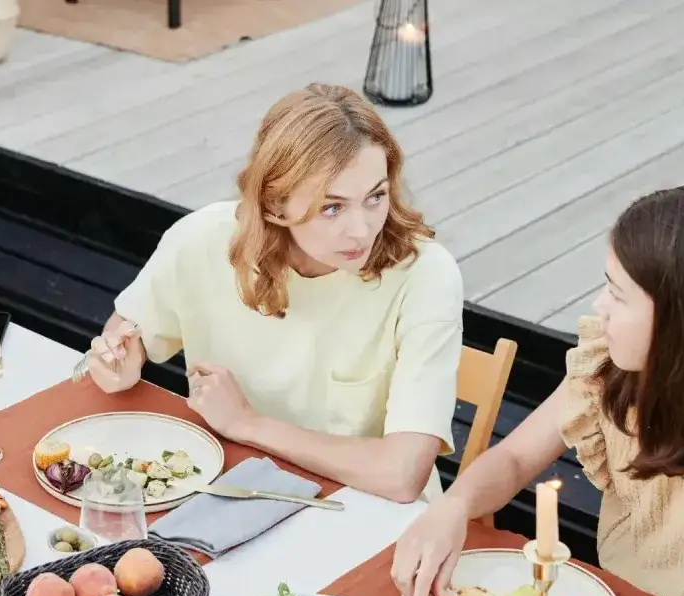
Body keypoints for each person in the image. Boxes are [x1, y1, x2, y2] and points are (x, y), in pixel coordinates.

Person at [391, 183, 684, 596]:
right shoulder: (607, 369)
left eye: (618, 295)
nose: (599, 307)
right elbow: (513, 461)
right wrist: (454, 505)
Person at [84, 83, 464, 503]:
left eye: (375, 197)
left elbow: (401, 475)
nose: (362, 229)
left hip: (371, 517)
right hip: (230, 493)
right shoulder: (203, 239)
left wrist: (247, 423)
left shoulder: (425, 275)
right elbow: (125, 337)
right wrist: (119, 362)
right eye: (332, 207)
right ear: (275, 204)